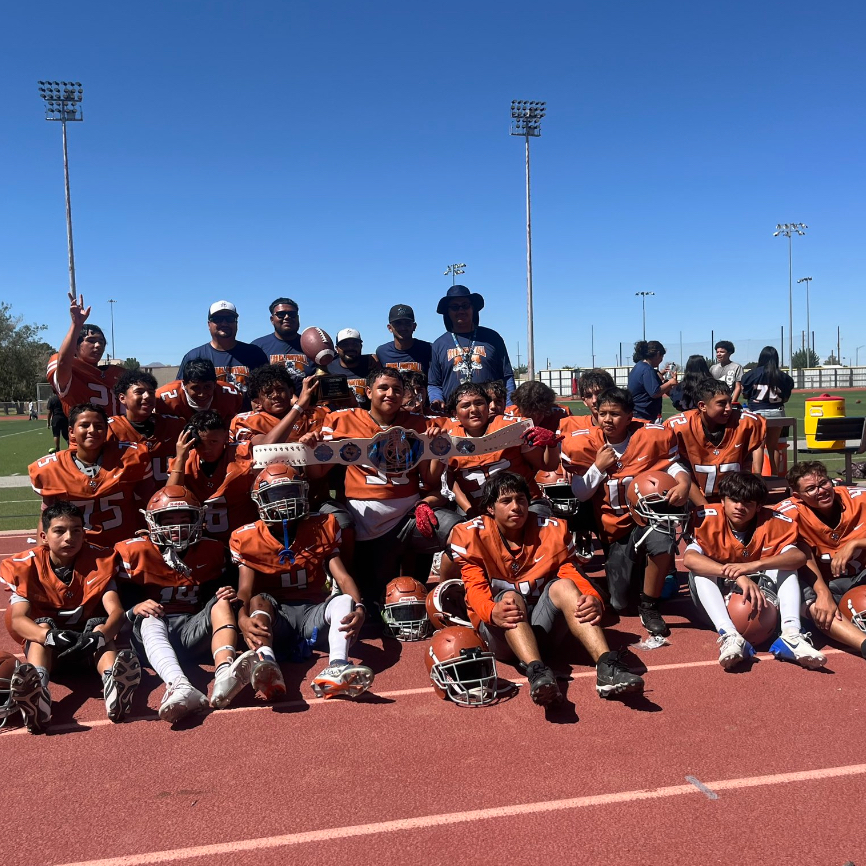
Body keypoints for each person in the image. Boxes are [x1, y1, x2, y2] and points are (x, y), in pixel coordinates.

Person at [450, 472, 644, 707]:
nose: (516, 507)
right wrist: (491, 611)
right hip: (501, 634)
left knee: (565, 586)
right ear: (490, 508)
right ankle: (537, 672)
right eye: (506, 501)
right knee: (510, 598)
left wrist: (592, 598)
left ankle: (607, 665)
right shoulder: (471, 535)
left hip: (543, 628)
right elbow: (474, 589)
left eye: (521, 499)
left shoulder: (551, 530)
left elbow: (570, 573)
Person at [301, 367, 459, 603]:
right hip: (367, 523)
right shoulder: (343, 420)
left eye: (397, 389)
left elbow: (432, 480)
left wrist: (437, 448)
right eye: (383, 388)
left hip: (410, 516)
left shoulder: (418, 423)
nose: (390, 394)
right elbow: (317, 473)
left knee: (462, 532)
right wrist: (310, 450)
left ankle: (446, 599)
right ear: (368, 392)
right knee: (375, 599)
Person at [230, 464, 373, 701]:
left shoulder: (322, 526)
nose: (285, 502)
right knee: (258, 600)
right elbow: (244, 590)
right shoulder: (246, 537)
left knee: (345, 599)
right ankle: (268, 663)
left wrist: (360, 608)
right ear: (260, 500)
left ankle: (337, 665)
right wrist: (242, 619)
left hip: (311, 613)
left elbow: (343, 577)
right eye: (276, 496)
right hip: (277, 619)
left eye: (290, 493)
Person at [0, 502, 141, 732]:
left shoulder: (100, 560)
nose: (69, 537)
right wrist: (50, 636)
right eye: (60, 531)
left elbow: (115, 612)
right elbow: (18, 619)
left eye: (76, 530)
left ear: (84, 533)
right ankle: (40, 694)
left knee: (99, 626)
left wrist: (101, 636)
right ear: (44, 536)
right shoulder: (25, 566)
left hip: (89, 649)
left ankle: (113, 686)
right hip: (50, 653)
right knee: (41, 627)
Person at [562, 387, 691, 635]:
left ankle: (649, 605)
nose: (607, 420)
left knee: (662, 540)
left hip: (644, 520)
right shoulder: (585, 443)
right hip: (613, 528)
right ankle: (642, 576)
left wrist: (684, 482)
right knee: (620, 603)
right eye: (602, 413)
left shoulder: (650, 436)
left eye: (615, 414)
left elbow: (672, 466)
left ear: (630, 415)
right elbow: (580, 492)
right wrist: (598, 468)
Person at [116, 486, 249, 721]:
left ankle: (224, 673)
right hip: (152, 636)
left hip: (192, 628)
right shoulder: (132, 551)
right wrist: (133, 608)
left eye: (184, 519)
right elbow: (112, 602)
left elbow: (218, 594)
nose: (177, 527)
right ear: (152, 522)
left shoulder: (213, 550)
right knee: (149, 615)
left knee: (222, 603)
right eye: (168, 520)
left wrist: (226, 592)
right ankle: (178, 685)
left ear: (198, 519)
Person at [683, 472, 824, 670]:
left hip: (764, 593)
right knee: (701, 571)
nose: (740, 507)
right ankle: (729, 635)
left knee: (786, 566)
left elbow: (798, 557)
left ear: (759, 507)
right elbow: (690, 559)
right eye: (734, 500)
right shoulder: (707, 518)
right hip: (719, 595)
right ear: (722, 501)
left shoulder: (773, 522)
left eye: (748, 502)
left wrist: (753, 566)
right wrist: (737, 575)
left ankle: (791, 634)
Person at [29, 403, 155, 547]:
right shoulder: (51, 469)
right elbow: (46, 518)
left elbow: (151, 503)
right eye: (84, 425)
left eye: (99, 426)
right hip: (78, 550)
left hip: (124, 546)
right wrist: (42, 556)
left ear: (107, 431)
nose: (92, 430)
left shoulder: (131, 457)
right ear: (71, 432)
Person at [777, 462, 866, 661]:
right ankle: (863, 644)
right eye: (811, 489)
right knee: (811, 601)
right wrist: (822, 592)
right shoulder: (788, 513)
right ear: (797, 496)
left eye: (823, 483)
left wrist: (855, 543)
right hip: (821, 583)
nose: (821, 491)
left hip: (861, 575)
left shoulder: (859, 499)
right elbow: (796, 554)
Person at [444, 382, 560, 518]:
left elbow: (548, 465)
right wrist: (470, 510)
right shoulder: (448, 439)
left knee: (540, 529)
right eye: (465, 405)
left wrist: (551, 445)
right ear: (455, 414)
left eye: (479, 403)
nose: (474, 409)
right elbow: (450, 482)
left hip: (526, 504)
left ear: (487, 406)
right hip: (480, 510)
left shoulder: (513, 428)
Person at [667, 378, 765, 505]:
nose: (729, 408)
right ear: (702, 406)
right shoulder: (679, 427)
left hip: (736, 498)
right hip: (694, 499)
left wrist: (757, 475)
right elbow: (674, 468)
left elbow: (758, 445)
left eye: (730, 401)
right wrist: (707, 509)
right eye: (722, 403)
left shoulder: (746, 423)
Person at [167, 410, 258, 544]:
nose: (207, 449)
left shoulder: (244, 452)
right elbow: (170, 498)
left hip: (245, 537)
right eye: (200, 443)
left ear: (226, 437)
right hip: (203, 541)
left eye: (213, 442)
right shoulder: (185, 460)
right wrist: (180, 458)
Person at [428, 285, 515, 413]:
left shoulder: (492, 338)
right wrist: (436, 399)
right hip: (454, 415)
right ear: (448, 312)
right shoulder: (439, 344)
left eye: (465, 305)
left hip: (491, 414)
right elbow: (434, 384)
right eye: (455, 307)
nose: (461, 310)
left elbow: (507, 377)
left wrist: (510, 407)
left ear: (473, 308)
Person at [48, 292, 123, 417]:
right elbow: (63, 362)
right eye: (91, 341)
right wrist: (76, 326)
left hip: (116, 434)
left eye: (101, 342)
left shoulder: (117, 373)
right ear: (76, 345)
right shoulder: (69, 369)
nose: (98, 346)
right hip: (85, 434)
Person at [109, 369, 186, 484]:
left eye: (151, 392)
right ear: (122, 398)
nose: (147, 396)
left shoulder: (174, 425)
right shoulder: (110, 428)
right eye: (139, 392)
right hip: (129, 500)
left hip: (170, 498)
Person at [177, 301, 268, 395]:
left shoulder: (254, 353)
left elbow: (268, 387)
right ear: (209, 324)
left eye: (230, 319)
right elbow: (182, 392)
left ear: (236, 323)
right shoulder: (194, 356)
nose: (224, 323)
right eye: (217, 319)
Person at [229, 365, 324, 445]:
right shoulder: (246, 421)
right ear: (258, 401)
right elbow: (266, 446)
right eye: (268, 392)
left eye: (280, 389)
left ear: (291, 392)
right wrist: (298, 408)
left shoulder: (313, 414)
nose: (275, 395)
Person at [740, 346, 794, 475]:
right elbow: (785, 398)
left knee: (758, 446)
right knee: (773, 446)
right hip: (777, 412)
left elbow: (746, 395)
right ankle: (775, 475)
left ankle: (758, 476)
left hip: (757, 413)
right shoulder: (784, 377)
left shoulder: (751, 374)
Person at [156, 358, 243, 424]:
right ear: (184, 385)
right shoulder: (164, 398)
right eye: (195, 388)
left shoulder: (230, 395)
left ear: (215, 384)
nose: (202, 394)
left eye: (207, 387)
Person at [251, 297, 309, 378]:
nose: (287, 317)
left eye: (292, 314)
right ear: (272, 319)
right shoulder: (257, 347)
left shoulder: (311, 344)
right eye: (281, 314)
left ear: (297, 317)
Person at [325, 328, 380, 410]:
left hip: (366, 419)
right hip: (340, 419)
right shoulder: (328, 368)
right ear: (337, 348)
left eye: (355, 344)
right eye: (345, 345)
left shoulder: (371, 365)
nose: (350, 348)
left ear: (361, 346)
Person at [627, 340, 678, 422]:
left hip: (636, 413)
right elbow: (655, 392)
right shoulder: (647, 369)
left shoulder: (639, 366)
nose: (661, 360)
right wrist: (670, 383)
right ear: (658, 354)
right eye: (662, 356)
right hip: (643, 416)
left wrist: (660, 373)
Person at [375, 305, 433, 374]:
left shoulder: (428, 349)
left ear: (414, 326)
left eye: (407, 323)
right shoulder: (382, 352)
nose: (403, 328)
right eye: (398, 324)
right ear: (390, 328)